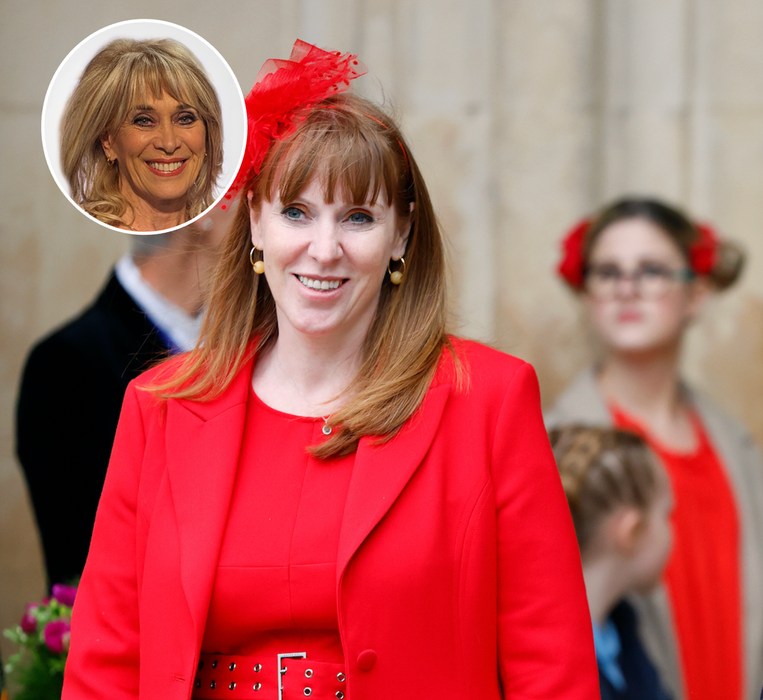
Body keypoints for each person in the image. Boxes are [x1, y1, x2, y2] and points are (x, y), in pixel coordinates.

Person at [63, 41, 596, 699]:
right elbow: (106, 662)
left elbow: (551, 667)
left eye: (358, 217)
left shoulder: (486, 397)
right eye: (296, 212)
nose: (324, 249)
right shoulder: (159, 405)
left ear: (401, 233)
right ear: (254, 220)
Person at [545, 197, 763, 700]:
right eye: (608, 272)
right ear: (586, 293)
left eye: (651, 271)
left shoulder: (734, 442)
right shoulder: (556, 443)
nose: (626, 287)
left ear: (694, 295)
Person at [16, 214, 225, 590]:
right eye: (243, 190)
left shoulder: (248, 348)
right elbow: (83, 558)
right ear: (203, 215)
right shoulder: (66, 365)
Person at [551, 426, 675, 700]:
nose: (672, 531)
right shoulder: (554, 663)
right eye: (666, 514)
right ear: (631, 531)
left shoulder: (621, 629)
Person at [60, 37, 223, 231]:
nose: (169, 143)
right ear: (108, 140)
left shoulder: (229, 240)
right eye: (144, 121)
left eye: (185, 119)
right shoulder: (82, 237)